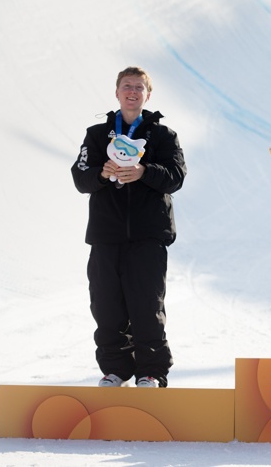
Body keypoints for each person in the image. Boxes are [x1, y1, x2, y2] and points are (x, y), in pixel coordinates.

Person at [71, 66, 187, 388]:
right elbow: (80, 177)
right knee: (106, 306)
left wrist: (144, 172)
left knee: (146, 306)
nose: (132, 92)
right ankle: (116, 370)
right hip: (106, 237)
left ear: (147, 95)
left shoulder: (164, 136)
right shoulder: (97, 134)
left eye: (139, 87)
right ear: (117, 92)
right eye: (127, 86)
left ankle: (151, 373)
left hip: (148, 238)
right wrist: (102, 173)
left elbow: (175, 177)